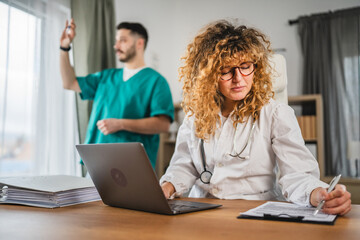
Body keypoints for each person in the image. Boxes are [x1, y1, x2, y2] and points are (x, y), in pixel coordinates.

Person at [160, 20, 351, 215]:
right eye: (226, 70)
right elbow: (184, 165)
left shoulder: (275, 114)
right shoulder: (195, 117)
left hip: (254, 211)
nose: (238, 78)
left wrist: (318, 194)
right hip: (201, 211)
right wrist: (167, 186)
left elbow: (297, 174)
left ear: (256, 68)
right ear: (208, 76)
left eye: (245, 66)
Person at [59, 19, 174, 169]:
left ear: (140, 43)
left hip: (133, 166)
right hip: (96, 163)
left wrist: (120, 124)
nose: (116, 46)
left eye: (123, 40)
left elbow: (163, 125)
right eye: (116, 41)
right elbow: (69, 83)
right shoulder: (106, 77)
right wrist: (64, 47)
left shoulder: (156, 81)